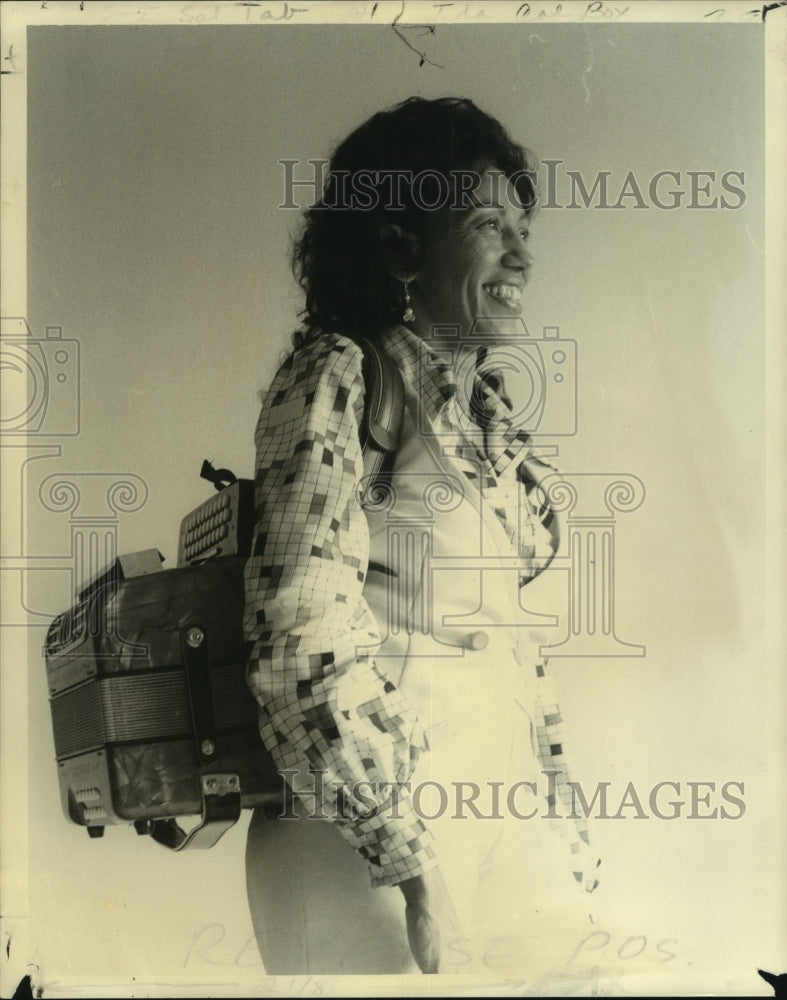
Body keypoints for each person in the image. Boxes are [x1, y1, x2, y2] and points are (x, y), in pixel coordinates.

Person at [242, 96, 599, 977]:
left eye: (524, 226)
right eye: (488, 224)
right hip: (368, 853)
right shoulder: (342, 375)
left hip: (494, 837)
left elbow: (512, 657)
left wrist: (564, 839)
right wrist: (412, 863)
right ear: (401, 244)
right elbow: (298, 638)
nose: (521, 253)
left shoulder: (484, 417)